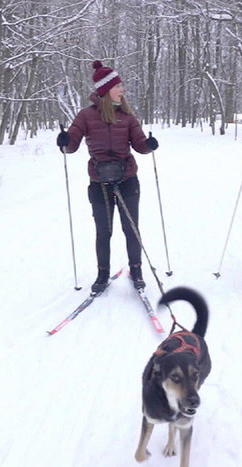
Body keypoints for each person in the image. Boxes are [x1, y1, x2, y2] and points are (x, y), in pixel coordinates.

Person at [56, 61, 158, 293]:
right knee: (104, 231)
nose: (122, 90)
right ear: (106, 90)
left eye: (121, 86)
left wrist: (149, 145)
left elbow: (141, 146)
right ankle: (102, 275)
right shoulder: (85, 116)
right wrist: (64, 142)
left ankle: (137, 270)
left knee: (131, 228)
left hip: (127, 179)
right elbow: (70, 146)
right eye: (118, 86)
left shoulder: (128, 117)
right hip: (99, 183)